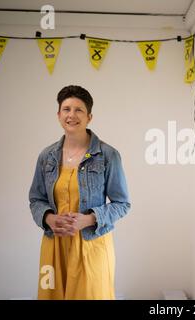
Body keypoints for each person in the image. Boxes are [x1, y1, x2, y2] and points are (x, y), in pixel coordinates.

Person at [29, 85, 131, 300]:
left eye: (79, 110)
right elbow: (36, 198)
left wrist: (89, 219)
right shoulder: (46, 156)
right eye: (66, 109)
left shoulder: (108, 155)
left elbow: (122, 203)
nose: (71, 115)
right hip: (54, 246)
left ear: (89, 117)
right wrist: (48, 217)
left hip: (91, 246)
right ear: (58, 115)